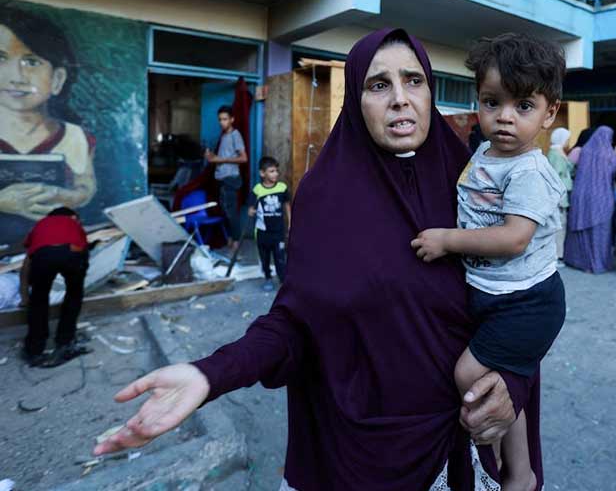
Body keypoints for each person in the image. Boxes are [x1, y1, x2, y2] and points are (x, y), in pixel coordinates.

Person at [94, 29, 541, 491]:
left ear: (430, 91)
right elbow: (297, 323)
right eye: (378, 85)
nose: (400, 99)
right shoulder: (325, 199)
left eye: (413, 80)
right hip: (355, 452)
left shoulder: (478, 187)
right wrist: (210, 374)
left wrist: (512, 380)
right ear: (355, 101)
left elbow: (528, 299)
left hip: (462, 446)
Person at [413, 33, 566, 491]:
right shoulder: (485, 153)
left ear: (549, 113)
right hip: (498, 297)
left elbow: (515, 238)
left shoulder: (528, 171)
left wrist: (448, 240)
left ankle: (508, 467)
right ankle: (513, 469)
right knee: (501, 381)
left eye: (523, 106)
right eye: (491, 102)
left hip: (527, 303)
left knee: (470, 374)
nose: (504, 117)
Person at [0, 7, 97, 236]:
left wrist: (57, 194)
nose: (16, 77)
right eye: (1, 58)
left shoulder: (76, 137)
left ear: (57, 79)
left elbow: (85, 188)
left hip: (52, 247)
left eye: (32, 62)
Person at [19, 207, 93, 367]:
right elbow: (85, 250)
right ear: (73, 217)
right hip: (73, 252)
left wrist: (25, 296)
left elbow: (27, 263)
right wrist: (80, 273)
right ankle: (65, 342)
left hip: (43, 255)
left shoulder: (40, 224)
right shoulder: (75, 225)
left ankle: (34, 349)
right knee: (74, 295)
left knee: (39, 299)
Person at [564, 125, 616, 274]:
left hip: (581, 195)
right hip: (602, 197)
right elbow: (615, 173)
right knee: (600, 231)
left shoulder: (584, 151)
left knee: (581, 230)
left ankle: (578, 261)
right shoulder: (609, 155)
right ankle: (598, 263)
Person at [204, 105, 247, 251]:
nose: (222, 122)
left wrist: (220, 160)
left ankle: (236, 241)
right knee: (225, 211)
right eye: (220, 119)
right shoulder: (223, 136)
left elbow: (243, 158)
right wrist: (211, 157)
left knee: (231, 212)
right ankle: (230, 238)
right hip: (222, 179)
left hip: (231, 179)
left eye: (225, 119)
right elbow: (220, 158)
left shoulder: (235, 135)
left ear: (232, 119)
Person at [248, 156, 291, 291]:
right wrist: (251, 211)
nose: (276, 174)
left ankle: (283, 281)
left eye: (276, 171)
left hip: (278, 231)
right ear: (262, 173)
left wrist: (290, 222)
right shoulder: (257, 190)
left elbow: (287, 206)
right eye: (272, 171)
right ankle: (267, 278)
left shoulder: (282, 188)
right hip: (262, 232)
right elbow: (250, 208)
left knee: (280, 257)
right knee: (265, 257)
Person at [547, 127, 574, 264]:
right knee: (559, 226)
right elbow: (556, 178)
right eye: (567, 139)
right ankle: (557, 256)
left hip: (559, 197)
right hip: (558, 198)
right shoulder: (556, 155)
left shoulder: (557, 152)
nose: (568, 141)